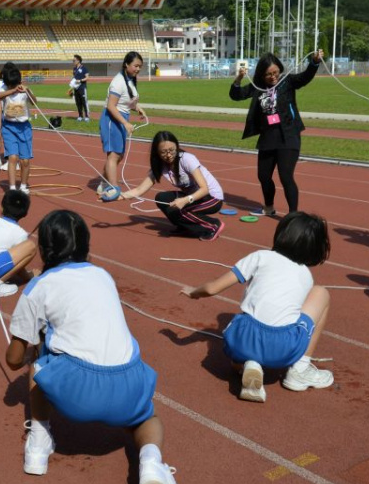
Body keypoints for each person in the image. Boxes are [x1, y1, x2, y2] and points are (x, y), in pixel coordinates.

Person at [5, 210, 186, 484]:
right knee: (148, 419)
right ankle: (151, 461)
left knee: (38, 362)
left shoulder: (39, 286)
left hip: (79, 393)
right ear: (86, 247)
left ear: (44, 249)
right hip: (130, 384)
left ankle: (38, 445)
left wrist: (30, 348)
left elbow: (13, 360)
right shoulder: (103, 275)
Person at [182, 211, 333, 403]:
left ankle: (249, 364)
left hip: (243, 340)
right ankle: (300, 369)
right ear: (315, 246)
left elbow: (212, 289)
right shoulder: (305, 276)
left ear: (282, 234)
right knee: (321, 293)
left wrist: (193, 292)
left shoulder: (260, 257)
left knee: (241, 344)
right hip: (282, 348)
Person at [230, 50, 323, 216]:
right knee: (263, 176)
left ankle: (292, 215)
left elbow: (305, 77)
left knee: (285, 176)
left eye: (275, 72)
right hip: (268, 136)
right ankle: (269, 208)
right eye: (268, 74)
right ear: (261, 74)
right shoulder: (258, 86)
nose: (273, 77)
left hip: (288, 135)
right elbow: (236, 95)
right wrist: (239, 78)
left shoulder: (287, 81)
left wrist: (314, 62)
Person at [113, 131, 224, 240]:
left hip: (212, 198)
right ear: (157, 152)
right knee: (161, 198)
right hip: (193, 197)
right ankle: (186, 227)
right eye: (164, 152)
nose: (169, 155)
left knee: (178, 210)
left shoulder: (187, 159)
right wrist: (117, 196)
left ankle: (213, 225)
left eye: (171, 150)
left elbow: (204, 189)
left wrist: (185, 200)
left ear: (177, 146)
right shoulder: (160, 165)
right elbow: (139, 190)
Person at [99, 51, 147, 192]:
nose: (138, 69)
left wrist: (137, 107)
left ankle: (104, 183)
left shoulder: (130, 80)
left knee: (119, 155)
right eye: (135, 66)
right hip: (112, 119)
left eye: (140, 66)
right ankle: (113, 188)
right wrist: (125, 123)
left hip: (121, 118)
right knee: (114, 155)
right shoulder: (118, 82)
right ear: (126, 64)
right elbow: (111, 106)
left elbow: (126, 101)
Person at [0, 62, 36, 193]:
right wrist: (12, 90)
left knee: (25, 161)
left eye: (13, 85)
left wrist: (27, 91)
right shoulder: (4, 90)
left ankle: (23, 186)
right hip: (9, 127)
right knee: (12, 157)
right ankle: (12, 188)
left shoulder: (24, 91)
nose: (12, 87)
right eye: (9, 85)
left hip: (24, 128)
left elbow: (34, 102)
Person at [71, 54, 90, 121]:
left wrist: (80, 80)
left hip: (82, 87)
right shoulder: (74, 69)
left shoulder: (84, 68)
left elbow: (87, 78)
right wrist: (72, 87)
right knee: (78, 102)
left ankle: (87, 116)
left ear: (78, 60)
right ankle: (80, 116)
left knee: (84, 102)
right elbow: (74, 78)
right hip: (76, 88)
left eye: (74, 60)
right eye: (73, 60)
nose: (73, 61)